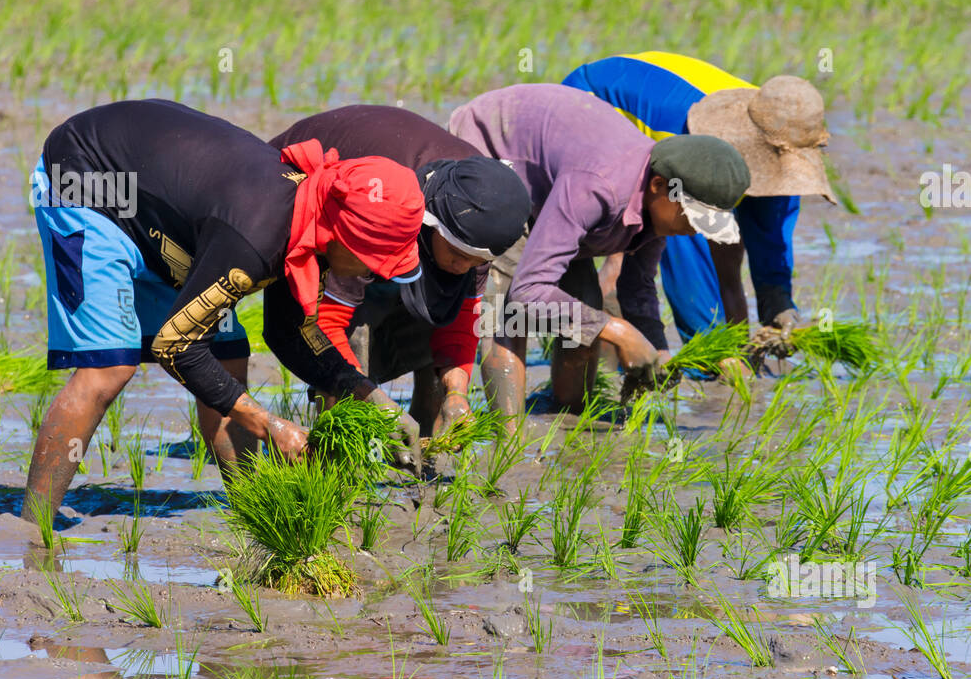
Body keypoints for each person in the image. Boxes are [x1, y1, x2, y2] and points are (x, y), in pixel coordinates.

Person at [22, 99, 425, 526]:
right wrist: (269, 424)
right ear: (342, 234)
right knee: (111, 368)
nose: (373, 274)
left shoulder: (309, 215)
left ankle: (261, 518)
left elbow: (290, 333)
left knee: (228, 362)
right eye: (373, 261)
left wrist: (373, 399)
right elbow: (176, 347)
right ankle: (33, 528)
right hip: (89, 179)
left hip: (167, 214)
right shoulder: (255, 236)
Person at [448, 83, 751, 422]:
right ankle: (509, 444)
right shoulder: (599, 185)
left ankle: (567, 414)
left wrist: (658, 352)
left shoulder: (658, 210)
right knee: (508, 313)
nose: (695, 230)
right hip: (493, 148)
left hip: (554, 183)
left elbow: (637, 288)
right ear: (658, 186)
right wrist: (619, 331)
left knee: (585, 302)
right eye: (693, 217)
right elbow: (527, 293)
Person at [268, 106, 531, 436]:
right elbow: (329, 323)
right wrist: (374, 404)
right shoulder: (383, 211)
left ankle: (415, 439)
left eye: (474, 262)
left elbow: (463, 318)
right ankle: (340, 462)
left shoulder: (482, 215)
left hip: (392, 210)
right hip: (293, 199)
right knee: (348, 338)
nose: (462, 266)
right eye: (456, 254)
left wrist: (457, 393)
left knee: (432, 307)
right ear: (433, 224)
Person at [562, 51, 836, 346]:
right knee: (630, 239)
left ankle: (725, 348)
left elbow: (771, 229)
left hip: (654, 94)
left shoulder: (785, 125)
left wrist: (778, 302)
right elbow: (683, 245)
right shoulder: (685, 134)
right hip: (593, 102)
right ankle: (603, 327)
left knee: (727, 250)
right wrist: (709, 353)